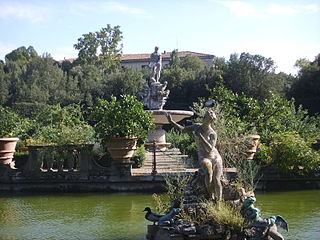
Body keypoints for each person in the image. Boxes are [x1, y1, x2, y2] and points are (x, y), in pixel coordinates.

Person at [166, 109, 223, 203]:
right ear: (204, 118)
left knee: (217, 179)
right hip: (204, 157)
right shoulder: (197, 126)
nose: (206, 119)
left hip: (216, 157)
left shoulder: (213, 133)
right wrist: (171, 122)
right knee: (209, 174)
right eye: (206, 117)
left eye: (209, 118)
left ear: (211, 121)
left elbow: (209, 148)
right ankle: (211, 196)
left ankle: (219, 202)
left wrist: (200, 137)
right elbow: (182, 129)